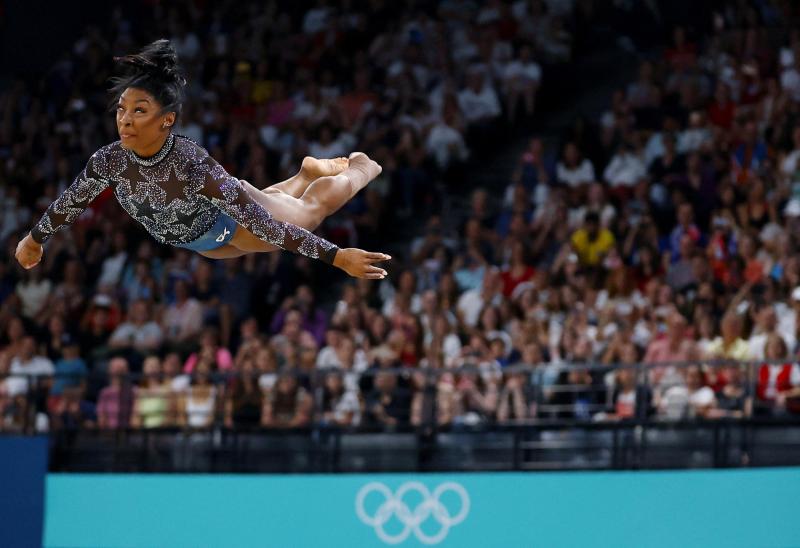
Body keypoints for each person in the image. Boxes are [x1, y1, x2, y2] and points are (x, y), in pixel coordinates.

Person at [15, 40, 390, 280]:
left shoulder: (191, 167)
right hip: (206, 244)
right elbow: (72, 201)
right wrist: (35, 238)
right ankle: (304, 172)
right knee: (276, 206)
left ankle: (361, 167)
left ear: (167, 120)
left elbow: (265, 226)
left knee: (311, 209)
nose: (125, 119)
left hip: (238, 224)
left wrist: (337, 257)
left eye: (139, 110)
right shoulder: (109, 161)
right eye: (122, 110)